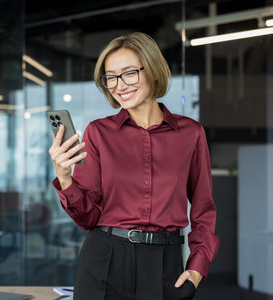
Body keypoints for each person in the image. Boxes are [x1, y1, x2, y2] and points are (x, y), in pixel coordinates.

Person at [49, 32, 220, 300]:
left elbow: (204, 209)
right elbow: (87, 218)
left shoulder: (191, 134)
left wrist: (198, 267)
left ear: (152, 71)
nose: (119, 85)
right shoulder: (98, 132)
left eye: (129, 73)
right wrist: (64, 177)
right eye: (111, 77)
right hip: (105, 259)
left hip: (166, 262)